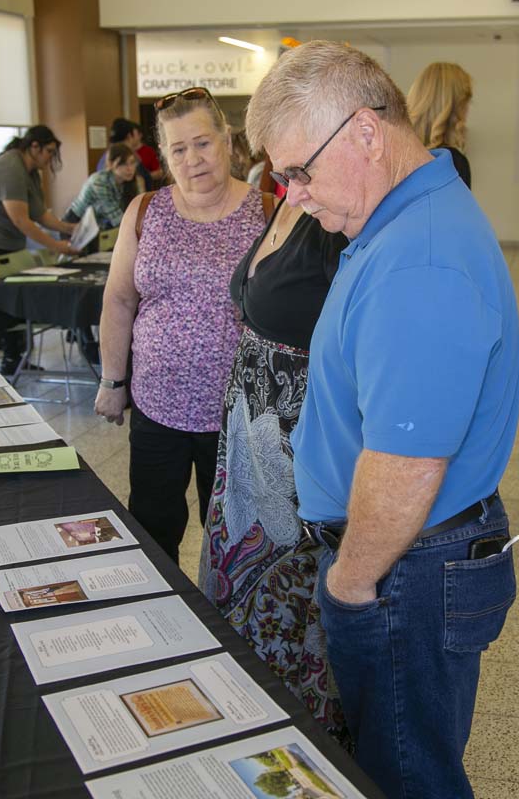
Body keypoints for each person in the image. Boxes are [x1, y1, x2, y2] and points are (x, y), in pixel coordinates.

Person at [245, 42, 519, 798]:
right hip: (413, 555)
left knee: (407, 775)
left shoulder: (419, 258)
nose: (295, 196)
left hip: (406, 564)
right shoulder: (396, 218)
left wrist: (350, 581)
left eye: (300, 172)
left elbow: (407, 466)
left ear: (366, 132)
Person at [93, 87, 271, 566]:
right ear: (165, 156)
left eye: (202, 143)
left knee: (236, 539)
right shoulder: (144, 210)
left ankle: (225, 613)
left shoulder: (268, 212)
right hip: (156, 406)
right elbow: (119, 299)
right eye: (178, 149)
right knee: (153, 531)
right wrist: (112, 381)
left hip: (237, 414)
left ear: (227, 141)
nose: (192, 159)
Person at [198, 189, 349, 742]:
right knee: (238, 567)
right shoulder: (287, 199)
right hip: (250, 426)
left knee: (293, 579)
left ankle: (298, 726)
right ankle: (239, 703)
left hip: (294, 432)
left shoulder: (334, 209)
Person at [0, 125, 78, 375]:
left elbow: (40, 215)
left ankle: (13, 358)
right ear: (34, 147)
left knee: (11, 299)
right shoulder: (10, 167)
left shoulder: (31, 172)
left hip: (4, 242)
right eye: (49, 151)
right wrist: (57, 245)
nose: (50, 158)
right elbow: (21, 220)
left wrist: (69, 228)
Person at [407, 62, 473, 188]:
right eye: (466, 103)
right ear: (456, 108)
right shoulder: (452, 163)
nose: (468, 111)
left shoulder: (397, 156)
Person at [64, 142, 145, 230]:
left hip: (98, 226)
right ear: (110, 164)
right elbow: (117, 219)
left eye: (132, 162)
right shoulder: (99, 181)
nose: (130, 168)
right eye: (123, 164)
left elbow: (138, 212)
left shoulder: (128, 181)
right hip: (75, 224)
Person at [97, 118, 162, 185]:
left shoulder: (105, 157)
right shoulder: (128, 156)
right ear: (129, 136)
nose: (129, 168)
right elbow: (145, 179)